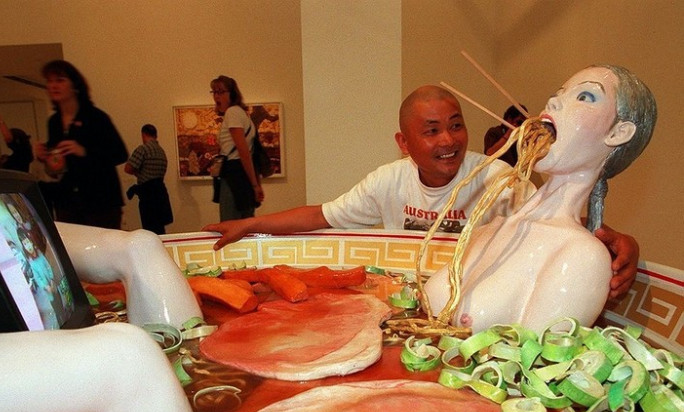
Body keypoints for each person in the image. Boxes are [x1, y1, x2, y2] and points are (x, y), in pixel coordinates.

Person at [203, 84, 639, 299]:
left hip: (470, 297)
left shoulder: (497, 178)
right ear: (404, 142)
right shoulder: (387, 181)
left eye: (455, 126)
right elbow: (321, 215)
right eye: (431, 131)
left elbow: (557, 223)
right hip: (406, 298)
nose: (448, 140)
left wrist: (612, 239)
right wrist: (251, 223)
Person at [425, 65, 656, 332]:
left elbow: (534, 354)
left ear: (617, 133)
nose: (553, 102)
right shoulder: (491, 228)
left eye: (584, 97)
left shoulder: (582, 258)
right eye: (559, 93)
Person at [34, 60, 128, 229]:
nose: (53, 86)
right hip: (67, 202)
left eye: (60, 80)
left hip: (100, 202)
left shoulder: (96, 117)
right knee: (72, 245)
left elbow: (120, 154)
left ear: (75, 85)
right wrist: (45, 156)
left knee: (102, 245)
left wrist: (84, 151)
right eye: (50, 81)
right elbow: (57, 169)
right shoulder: (54, 122)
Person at [210, 75, 264, 221]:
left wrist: (255, 185)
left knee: (230, 224)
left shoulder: (233, 112)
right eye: (214, 92)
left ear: (232, 93)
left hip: (234, 175)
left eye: (221, 92)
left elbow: (243, 151)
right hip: (241, 175)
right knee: (244, 222)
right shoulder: (240, 113)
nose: (216, 96)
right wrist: (255, 184)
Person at [124, 124, 173, 234]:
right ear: (156, 135)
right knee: (159, 229)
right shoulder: (161, 151)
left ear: (143, 134)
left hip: (148, 195)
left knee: (149, 228)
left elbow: (128, 168)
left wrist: (138, 173)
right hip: (160, 193)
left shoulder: (143, 149)